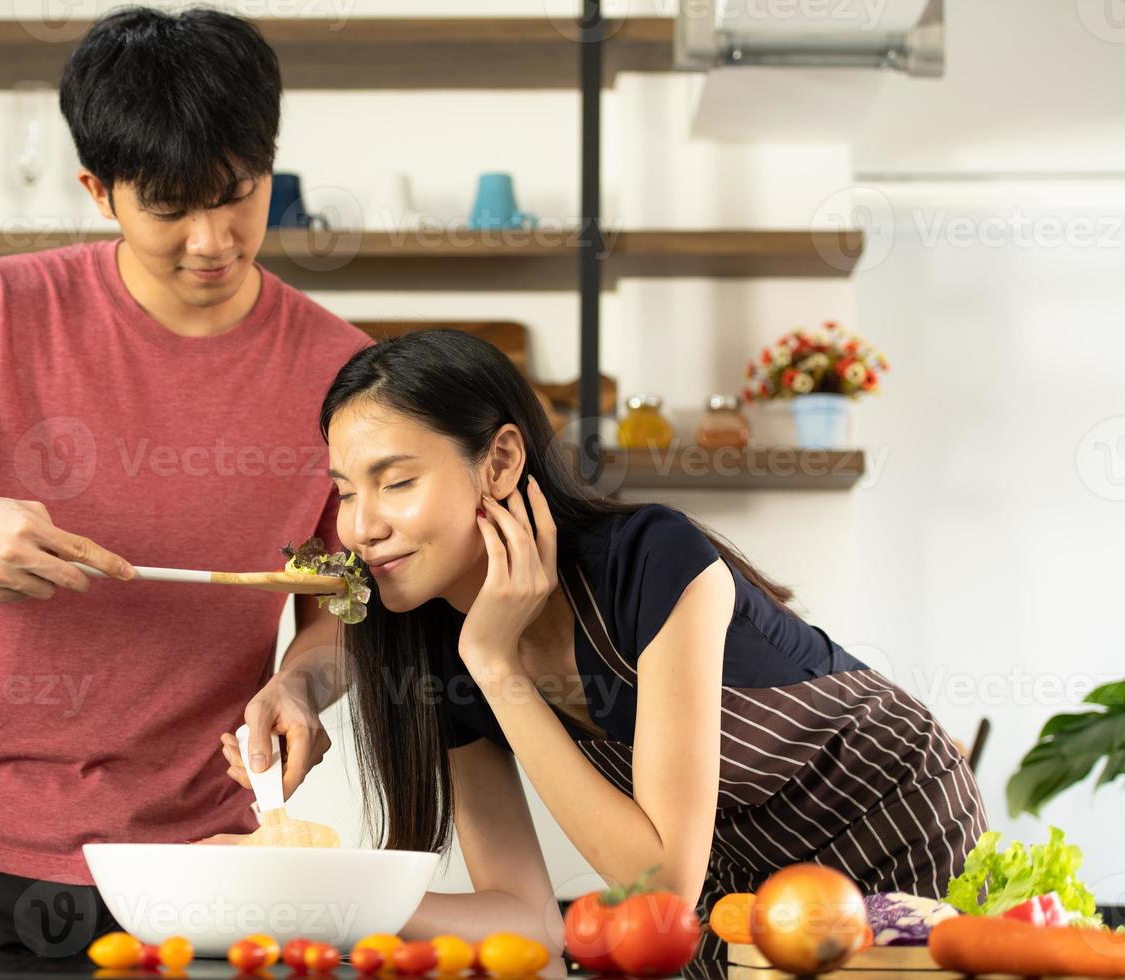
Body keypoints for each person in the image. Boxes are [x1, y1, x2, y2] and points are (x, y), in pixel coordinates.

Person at [0, 6, 369, 956]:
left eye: (238, 193)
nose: (212, 239)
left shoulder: (342, 371)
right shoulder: (1, 306)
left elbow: (340, 610)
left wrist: (302, 689)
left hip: (202, 862)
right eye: (169, 205)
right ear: (99, 190)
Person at [217, 329, 988, 958]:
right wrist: (318, 889)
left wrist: (495, 665)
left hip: (891, 826)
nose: (359, 526)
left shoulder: (654, 558)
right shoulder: (435, 647)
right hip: (738, 888)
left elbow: (658, 885)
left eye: (394, 481)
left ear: (502, 462)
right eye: (346, 491)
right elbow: (526, 918)